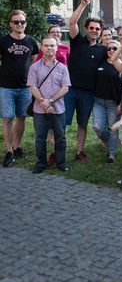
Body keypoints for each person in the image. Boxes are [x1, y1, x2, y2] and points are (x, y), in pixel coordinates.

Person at [65, 0, 107, 163]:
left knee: (83, 124)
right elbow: (72, 23)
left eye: (97, 29)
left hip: (88, 93)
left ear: (100, 32)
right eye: (92, 28)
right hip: (70, 90)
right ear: (87, 28)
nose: (94, 31)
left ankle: (79, 151)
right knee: (63, 123)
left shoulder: (102, 50)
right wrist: (82, 5)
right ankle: (57, 151)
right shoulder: (77, 41)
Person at [0, 10, 39, 166]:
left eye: (22, 22)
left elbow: (33, 61)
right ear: (10, 24)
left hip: (25, 87)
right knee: (8, 118)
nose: (20, 24)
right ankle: (9, 151)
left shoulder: (31, 41)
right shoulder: (3, 41)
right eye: (16, 22)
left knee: (21, 117)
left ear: (25, 24)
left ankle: (17, 147)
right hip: (6, 87)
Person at [27, 37, 71, 173]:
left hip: (58, 109)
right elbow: (32, 86)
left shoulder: (63, 68)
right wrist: (43, 103)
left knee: (60, 137)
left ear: (57, 48)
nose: (49, 48)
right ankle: (41, 163)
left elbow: (65, 88)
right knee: (40, 138)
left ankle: (61, 162)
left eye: (52, 45)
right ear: (41, 48)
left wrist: (50, 101)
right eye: (46, 45)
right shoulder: (34, 67)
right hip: (39, 110)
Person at [92, 40, 122, 164]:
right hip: (98, 101)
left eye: (114, 48)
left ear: (119, 50)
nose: (111, 51)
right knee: (97, 127)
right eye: (108, 48)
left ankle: (111, 153)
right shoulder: (101, 62)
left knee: (113, 128)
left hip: (113, 102)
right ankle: (111, 143)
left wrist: (121, 104)